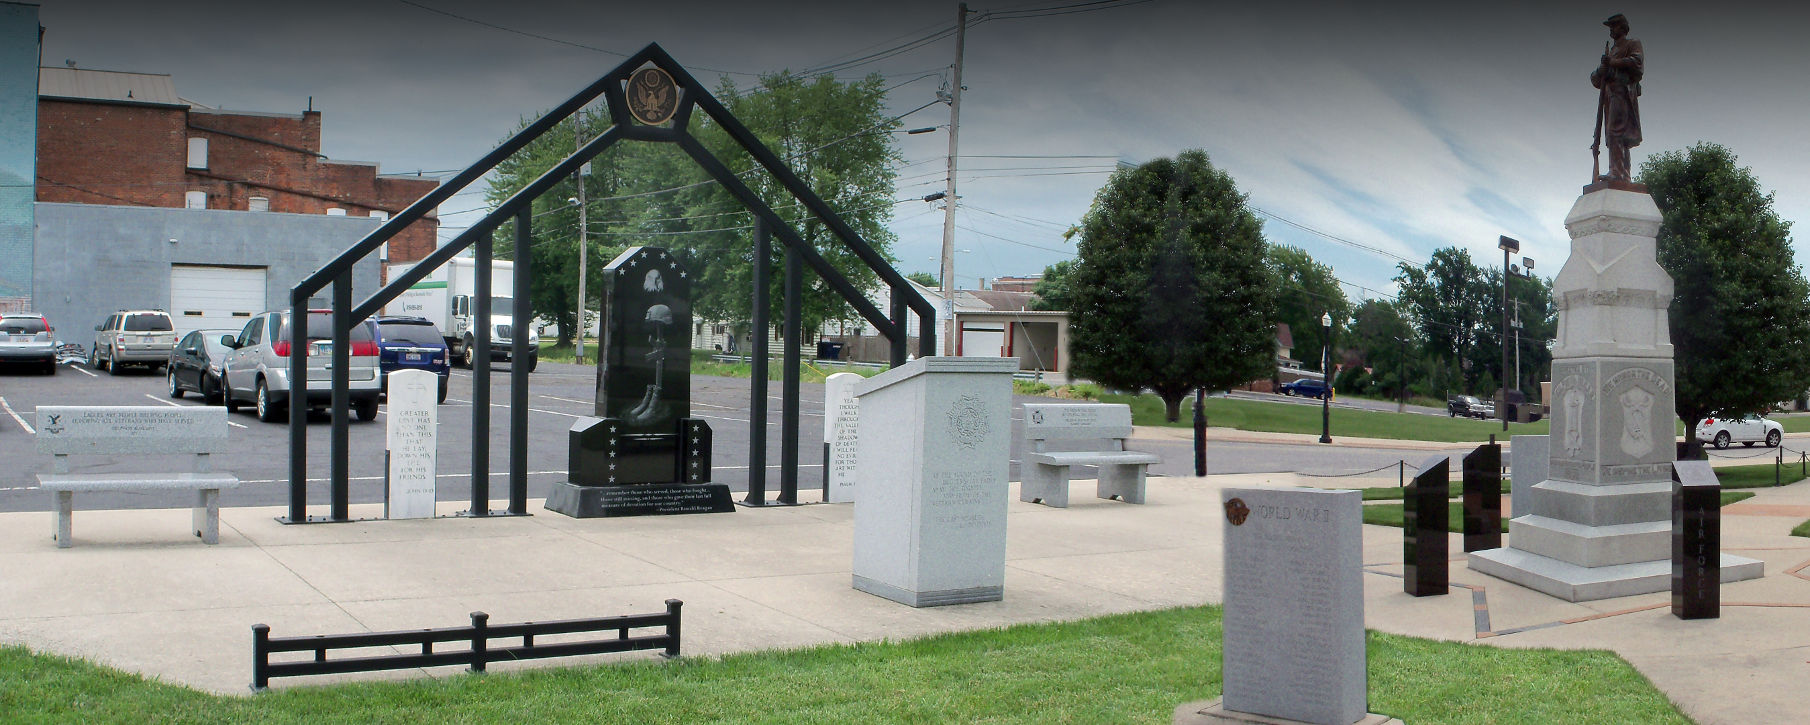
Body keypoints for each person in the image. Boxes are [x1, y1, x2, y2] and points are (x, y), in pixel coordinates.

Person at [1591, 13, 1643, 182]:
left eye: (1614, 26)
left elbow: (1637, 63)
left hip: (1623, 94)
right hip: (1610, 96)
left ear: (1622, 27)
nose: (1611, 30)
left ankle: (1618, 172)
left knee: (1617, 133)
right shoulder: (1611, 51)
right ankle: (1622, 173)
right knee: (1616, 135)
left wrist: (1612, 63)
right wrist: (1602, 68)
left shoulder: (1632, 44)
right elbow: (1595, 79)